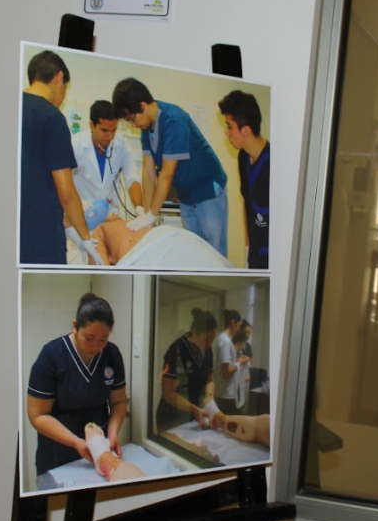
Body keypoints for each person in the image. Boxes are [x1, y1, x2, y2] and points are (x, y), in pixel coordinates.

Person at [111, 78, 229, 257]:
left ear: (142, 106)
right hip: (187, 196)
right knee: (194, 253)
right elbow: (148, 172)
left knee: (213, 254)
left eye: (132, 119)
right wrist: (146, 215)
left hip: (208, 190)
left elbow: (166, 175)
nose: (133, 125)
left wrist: (152, 215)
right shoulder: (146, 128)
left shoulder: (174, 120)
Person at [27, 293, 127, 476]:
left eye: (103, 339)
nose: (96, 346)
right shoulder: (51, 355)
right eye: (89, 338)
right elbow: (37, 415)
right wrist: (75, 442)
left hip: (99, 450)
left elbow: (119, 402)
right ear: (75, 326)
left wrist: (113, 433)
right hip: (57, 452)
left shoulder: (112, 354)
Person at [21, 50, 100, 265]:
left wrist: (70, 228)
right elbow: (66, 194)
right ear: (59, 77)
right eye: (65, 87)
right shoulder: (51, 117)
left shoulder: (10, 107)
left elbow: (34, 187)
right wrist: (85, 239)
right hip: (40, 239)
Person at [69, 99, 142, 231]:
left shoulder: (121, 144)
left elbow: (132, 176)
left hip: (110, 216)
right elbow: (61, 180)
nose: (109, 136)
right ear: (92, 125)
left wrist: (139, 208)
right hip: (83, 214)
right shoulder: (75, 145)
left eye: (113, 130)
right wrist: (77, 202)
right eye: (104, 130)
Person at [218, 90, 270, 268]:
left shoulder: (274, 164)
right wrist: (248, 248)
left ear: (246, 131)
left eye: (229, 126)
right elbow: (247, 203)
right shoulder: (243, 157)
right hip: (255, 254)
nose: (227, 132)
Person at [158, 308, 217, 432]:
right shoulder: (177, 350)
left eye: (212, 340)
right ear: (195, 333)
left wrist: (209, 397)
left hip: (196, 414)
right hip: (173, 416)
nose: (209, 344)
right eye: (207, 339)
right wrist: (193, 409)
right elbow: (168, 393)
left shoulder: (207, 350)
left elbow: (210, 380)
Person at [212, 308, 250, 415]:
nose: (239, 329)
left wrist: (238, 360)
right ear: (233, 323)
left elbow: (225, 365)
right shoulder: (225, 341)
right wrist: (239, 363)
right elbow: (226, 373)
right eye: (238, 325)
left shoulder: (223, 339)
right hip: (226, 394)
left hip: (223, 392)